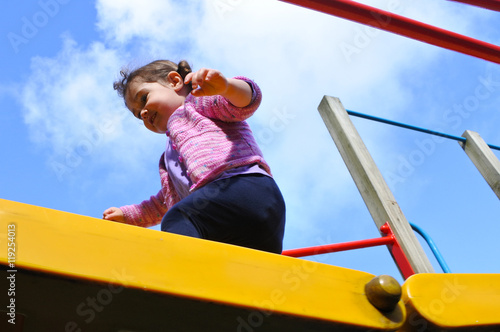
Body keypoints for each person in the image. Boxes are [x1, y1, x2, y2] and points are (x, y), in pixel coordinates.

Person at [102, 60, 286, 253]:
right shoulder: (167, 161)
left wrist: (226, 87)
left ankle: (182, 272)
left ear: (174, 82)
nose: (144, 112)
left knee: (179, 219)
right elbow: (161, 203)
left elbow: (246, 101)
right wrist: (127, 215)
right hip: (250, 226)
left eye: (144, 98)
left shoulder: (198, 104)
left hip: (243, 187)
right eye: (138, 115)